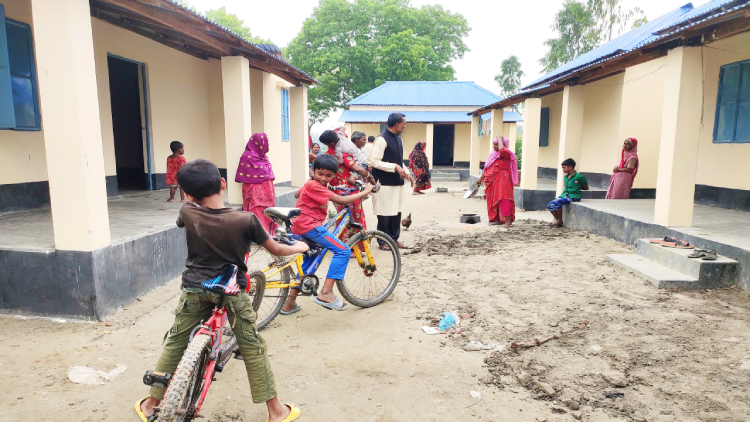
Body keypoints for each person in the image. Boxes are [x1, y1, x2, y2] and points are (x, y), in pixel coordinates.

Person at [136, 159, 308, 422]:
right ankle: (276, 411)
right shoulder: (246, 219)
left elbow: (183, 222)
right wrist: (300, 248)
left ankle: (151, 403)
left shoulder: (187, 211)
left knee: (176, 341)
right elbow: (277, 249)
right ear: (223, 183)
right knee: (252, 346)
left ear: (188, 194)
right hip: (231, 291)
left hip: (194, 289)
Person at [280, 154, 374, 314]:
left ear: (334, 175)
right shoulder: (315, 186)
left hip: (300, 225)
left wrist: (326, 189)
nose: (323, 178)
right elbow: (343, 201)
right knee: (343, 250)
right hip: (309, 226)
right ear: (313, 171)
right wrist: (366, 190)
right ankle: (326, 293)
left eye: (329, 176)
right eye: (320, 174)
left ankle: (289, 303)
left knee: (310, 262)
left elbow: (297, 195)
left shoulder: (310, 183)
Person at [370, 113, 414, 249]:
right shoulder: (381, 140)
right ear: (396, 124)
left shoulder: (399, 140)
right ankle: (383, 242)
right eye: (403, 124)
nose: (405, 126)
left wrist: (407, 173)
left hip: (397, 183)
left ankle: (394, 239)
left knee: (396, 211)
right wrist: (394, 167)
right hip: (383, 183)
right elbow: (374, 161)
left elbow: (399, 161)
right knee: (384, 212)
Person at [236, 133, 276, 234]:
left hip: (268, 192)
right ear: (259, 142)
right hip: (255, 193)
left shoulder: (263, 156)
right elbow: (246, 176)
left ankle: (268, 232)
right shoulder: (247, 157)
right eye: (267, 141)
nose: (268, 143)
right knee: (256, 211)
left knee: (268, 212)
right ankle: (258, 233)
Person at [477, 137, 518, 227]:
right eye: (494, 144)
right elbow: (487, 168)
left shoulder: (506, 153)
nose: (494, 147)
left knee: (503, 198)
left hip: (503, 180)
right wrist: (480, 179)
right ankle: (495, 219)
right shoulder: (493, 155)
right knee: (491, 200)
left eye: (496, 145)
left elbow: (502, 150)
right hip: (491, 181)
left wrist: (500, 139)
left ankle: (508, 221)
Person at [547, 158, 588, 227]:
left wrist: (577, 186)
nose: (563, 169)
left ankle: (560, 220)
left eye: (564, 168)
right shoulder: (566, 177)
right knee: (550, 204)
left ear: (570, 167)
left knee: (558, 202)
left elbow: (586, 188)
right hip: (565, 195)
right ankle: (558, 221)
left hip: (574, 196)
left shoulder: (579, 177)